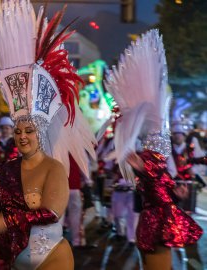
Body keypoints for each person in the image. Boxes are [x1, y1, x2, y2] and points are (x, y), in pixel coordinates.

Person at [0, 1, 96, 268]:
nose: (22, 136)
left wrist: (3, 221)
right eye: (17, 131)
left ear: (40, 133)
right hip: (9, 256)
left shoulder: (54, 169)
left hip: (49, 256)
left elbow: (50, 212)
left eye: (28, 130)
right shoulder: (7, 169)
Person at [105, 29, 203, 270]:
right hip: (156, 221)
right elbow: (152, 176)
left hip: (154, 220)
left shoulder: (153, 165)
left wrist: (174, 193)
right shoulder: (150, 164)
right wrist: (146, 169)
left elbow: (159, 181)